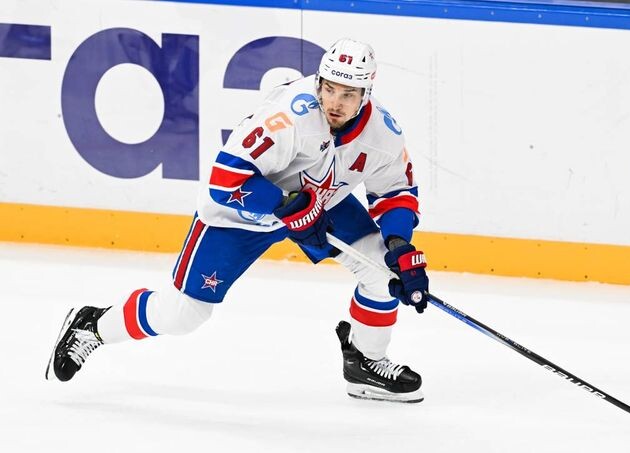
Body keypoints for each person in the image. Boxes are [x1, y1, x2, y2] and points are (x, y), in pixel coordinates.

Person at [45, 38, 430, 403]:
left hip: (318, 201)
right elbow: (224, 179)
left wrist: (398, 244)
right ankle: (93, 326)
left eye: (348, 94)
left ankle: (363, 361)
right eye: (329, 89)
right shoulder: (289, 118)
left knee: (384, 271)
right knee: (183, 315)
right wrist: (286, 205)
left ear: (366, 93)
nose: (335, 102)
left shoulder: (382, 134)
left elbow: (396, 191)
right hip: (240, 216)